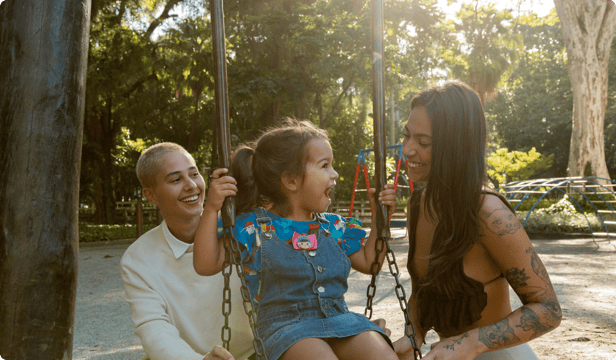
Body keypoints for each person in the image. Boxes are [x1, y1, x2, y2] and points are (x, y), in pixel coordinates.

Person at [193, 119, 399, 360]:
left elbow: (369, 262)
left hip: (339, 319)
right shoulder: (254, 228)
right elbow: (206, 264)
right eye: (324, 166)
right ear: (291, 181)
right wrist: (211, 209)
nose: (335, 174)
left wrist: (380, 220)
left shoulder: (333, 226)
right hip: (286, 329)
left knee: (382, 355)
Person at [393, 81, 561, 360]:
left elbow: (549, 309)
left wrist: (470, 343)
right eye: (406, 136)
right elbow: (423, 292)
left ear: (456, 146)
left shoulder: (488, 212)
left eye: (423, 142)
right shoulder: (418, 206)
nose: (407, 150)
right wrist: (413, 335)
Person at [120, 142, 254, 360]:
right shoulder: (138, 259)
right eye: (176, 179)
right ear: (151, 195)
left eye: (194, 174)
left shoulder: (241, 232)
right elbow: (154, 328)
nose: (191, 185)